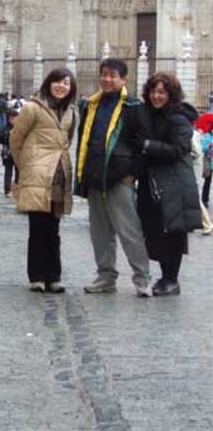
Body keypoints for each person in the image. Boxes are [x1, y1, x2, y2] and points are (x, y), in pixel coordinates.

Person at [75, 58, 152, 297]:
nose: (107, 79)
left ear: (123, 79)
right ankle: (106, 276)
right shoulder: (90, 106)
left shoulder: (133, 107)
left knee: (129, 231)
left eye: (112, 75)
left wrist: (132, 175)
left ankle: (142, 278)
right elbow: (83, 142)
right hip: (96, 176)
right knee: (100, 233)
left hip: (120, 178)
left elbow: (143, 145)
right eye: (104, 74)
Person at [10, 68, 76, 294]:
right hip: (37, 175)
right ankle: (37, 276)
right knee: (37, 227)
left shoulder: (71, 112)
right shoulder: (32, 109)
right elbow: (16, 140)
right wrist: (27, 166)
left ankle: (54, 276)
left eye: (66, 83)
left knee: (54, 229)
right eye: (57, 82)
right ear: (49, 83)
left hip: (58, 176)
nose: (61, 86)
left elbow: (67, 140)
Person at [137, 73, 202, 296]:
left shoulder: (178, 117)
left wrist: (147, 145)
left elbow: (179, 149)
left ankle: (171, 280)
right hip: (155, 181)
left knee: (173, 231)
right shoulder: (150, 114)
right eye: (153, 91)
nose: (156, 96)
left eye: (162, 92)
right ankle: (166, 277)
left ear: (171, 94)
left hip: (174, 182)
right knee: (157, 230)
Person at [0, 108, 20, 196]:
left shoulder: (21, 128)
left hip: (18, 153)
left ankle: (17, 188)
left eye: (15, 118)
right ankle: (7, 190)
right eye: (11, 118)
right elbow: (0, 139)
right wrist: (8, 135)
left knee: (18, 172)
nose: (13, 120)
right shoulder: (5, 128)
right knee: (8, 172)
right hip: (7, 153)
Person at [201, 123, 213, 208]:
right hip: (209, 162)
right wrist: (209, 146)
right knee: (207, 182)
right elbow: (203, 148)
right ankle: (204, 200)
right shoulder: (207, 136)